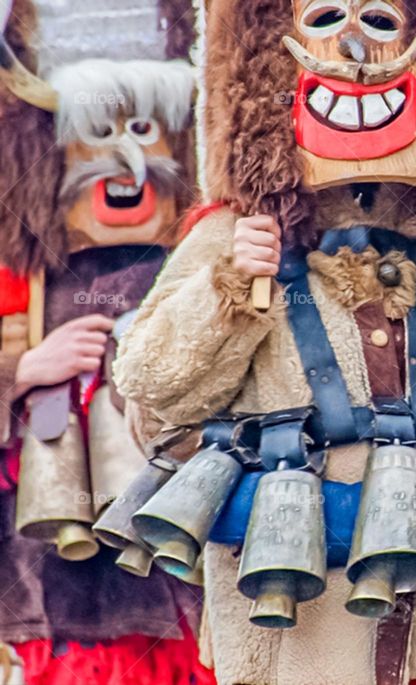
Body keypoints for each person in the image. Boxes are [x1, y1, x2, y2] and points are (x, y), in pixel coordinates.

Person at [112, 1, 416, 684]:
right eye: (326, 15)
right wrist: (231, 286)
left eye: (380, 19)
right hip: (296, 629)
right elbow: (151, 384)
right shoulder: (235, 235)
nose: (350, 43)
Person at [0, 1, 210, 681]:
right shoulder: (20, 268)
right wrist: (24, 368)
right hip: (63, 603)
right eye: (97, 130)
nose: (125, 162)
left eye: (145, 129)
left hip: (191, 585)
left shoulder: (207, 255)